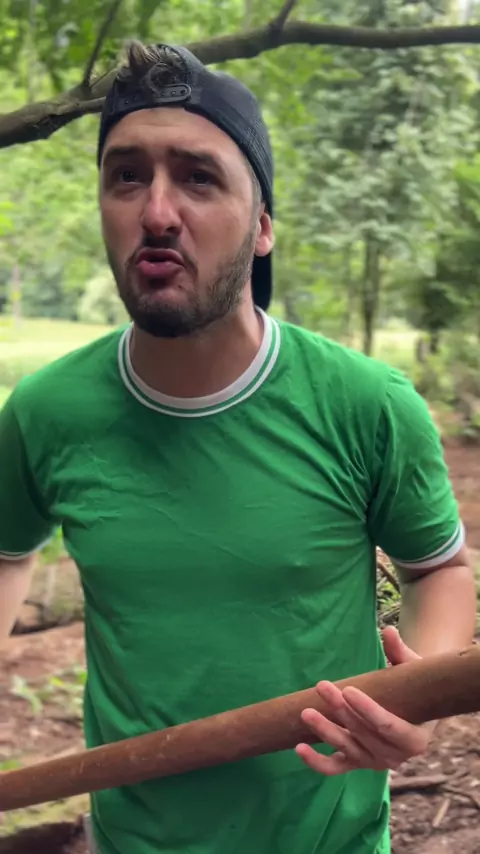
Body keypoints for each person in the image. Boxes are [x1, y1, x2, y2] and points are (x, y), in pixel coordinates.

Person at [0, 41, 475, 854]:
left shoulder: (366, 404)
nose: (157, 211)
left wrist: (414, 698)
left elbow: (438, 570)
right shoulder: (44, 413)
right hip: (133, 840)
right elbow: (6, 553)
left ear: (261, 229)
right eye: (126, 175)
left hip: (328, 840)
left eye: (198, 177)